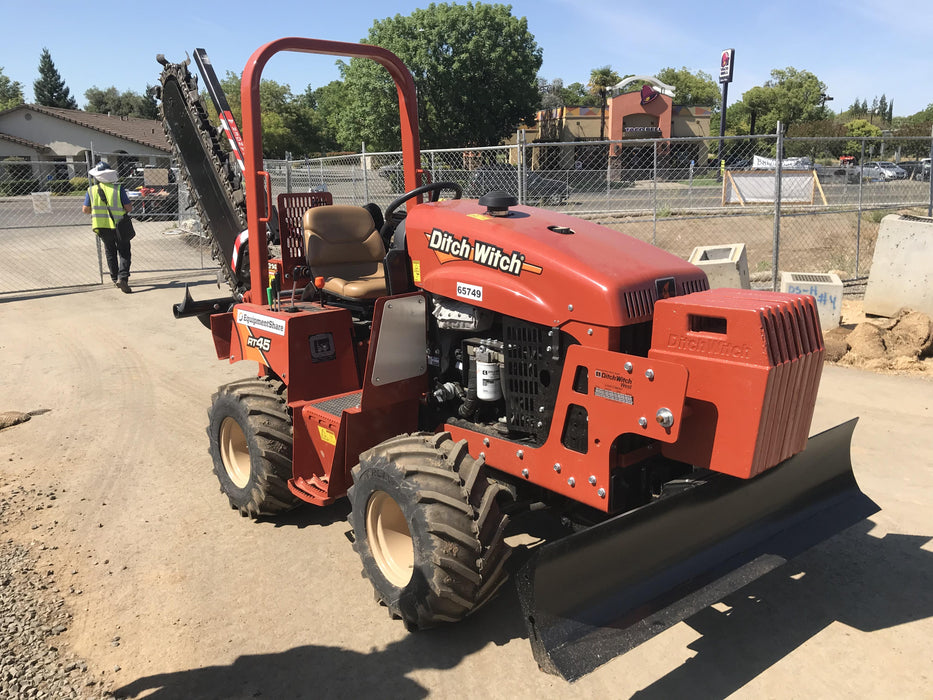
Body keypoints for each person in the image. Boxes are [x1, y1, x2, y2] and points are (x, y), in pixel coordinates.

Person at [83, 161, 133, 293]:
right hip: (119, 226)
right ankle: (123, 278)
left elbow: (85, 210)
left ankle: (114, 277)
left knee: (110, 252)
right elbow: (129, 208)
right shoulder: (118, 189)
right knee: (124, 252)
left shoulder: (91, 190)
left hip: (101, 227)